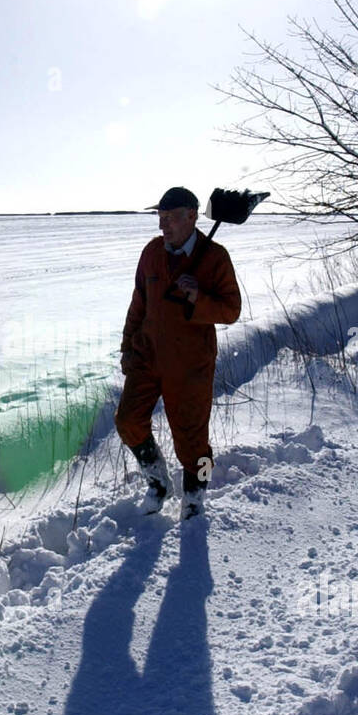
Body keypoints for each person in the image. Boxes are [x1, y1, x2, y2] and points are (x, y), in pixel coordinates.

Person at [116, 186, 242, 521]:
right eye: (160, 218)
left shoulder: (214, 257)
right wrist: (128, 346)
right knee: (128, 421)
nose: (163, 226)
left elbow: (231, 310)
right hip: (147, 355)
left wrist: (197, 297)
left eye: (170, 218)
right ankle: (158, 482)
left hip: (190, 364)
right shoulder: (152, 253)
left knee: (194, 443)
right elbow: (138, 303)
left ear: (192, 216)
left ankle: (197, 494)